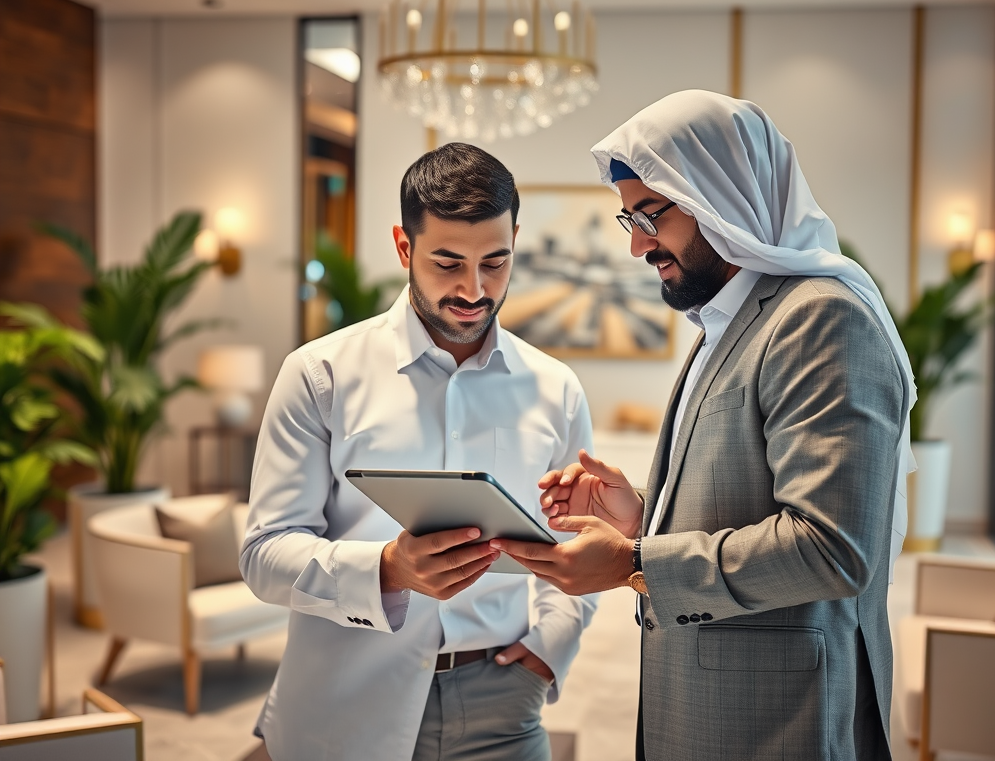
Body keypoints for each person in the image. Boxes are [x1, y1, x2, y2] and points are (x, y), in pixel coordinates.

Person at [491, 90, 916, 760]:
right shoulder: (728, 323)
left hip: (781, 719)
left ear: (718, 192)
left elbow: (834, 548)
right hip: (712, 708)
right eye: (627, 217)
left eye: (651, 215)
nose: (636, 244)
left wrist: (633, 562)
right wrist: (642, 517)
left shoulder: (819, 320)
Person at [240, 142, 596, 761]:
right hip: (343, 696)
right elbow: (263, 554)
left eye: (496, 262)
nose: (474, 288)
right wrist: (387, 569)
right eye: (448, 262)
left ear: (516, 240)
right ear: (405, 248)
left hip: (502, 698)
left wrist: (549, 649)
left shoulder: (556, 388)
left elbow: (575, 542)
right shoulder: (318, 374)